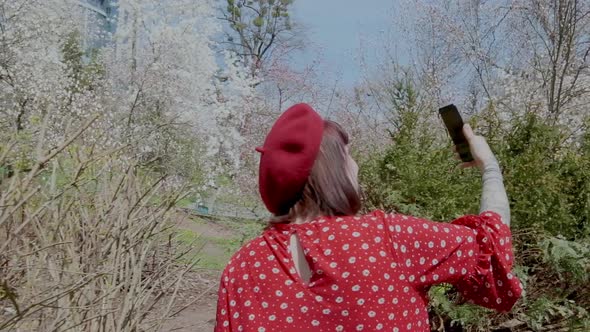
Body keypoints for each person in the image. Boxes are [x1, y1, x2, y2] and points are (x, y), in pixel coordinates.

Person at [215, 104, 522, 332]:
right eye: (348, 155)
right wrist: (490, 167)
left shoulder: (241, 267)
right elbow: (489, 244)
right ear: (333, 168)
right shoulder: (388, 239)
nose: (356, 165)